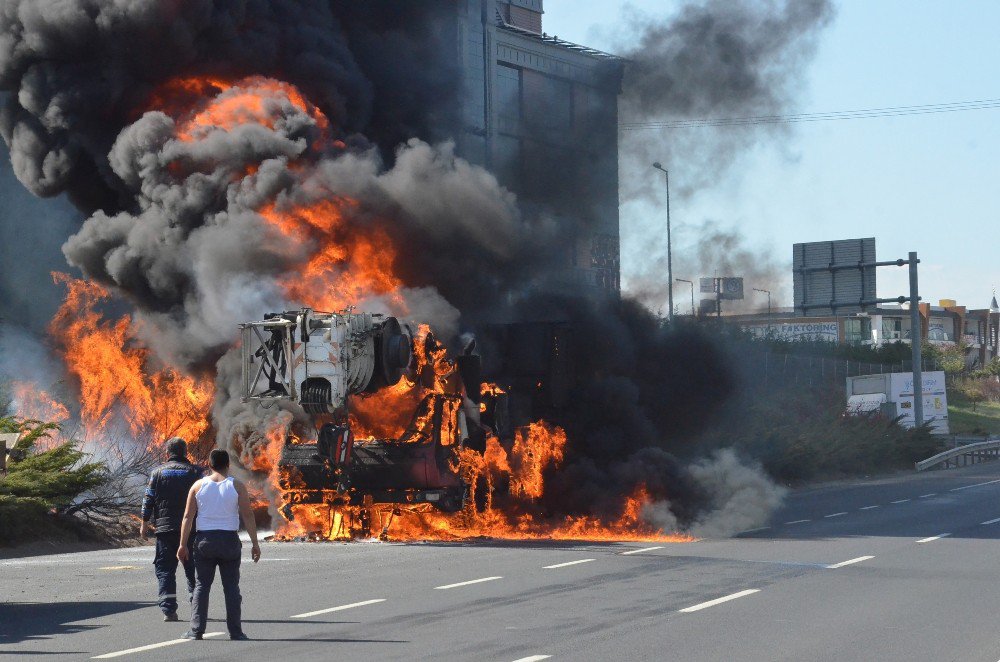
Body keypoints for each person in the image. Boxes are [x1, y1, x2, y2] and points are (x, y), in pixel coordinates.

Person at [177, 449, 261, 641]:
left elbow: (188, 517)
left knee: (201, 586)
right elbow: (248, 515)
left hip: (204, 541)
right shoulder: (237, 486)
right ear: (228, 465)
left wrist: (183, 544)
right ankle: (236, 632)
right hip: (229, 541)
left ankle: (196, 630)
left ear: (209, 464)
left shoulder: (198, 486)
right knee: (231, 587)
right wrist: (255, 543)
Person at [140, 437, 203, 622]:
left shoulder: (157, 473)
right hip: (191, 529)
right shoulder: (196, 472)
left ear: (167, 454)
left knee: (165, 569)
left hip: (165, 529)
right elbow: (205, 499)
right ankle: (196, 607)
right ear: (185, 453)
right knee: (193, 569)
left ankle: (169, 610)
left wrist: (144, 522)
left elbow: (148, 498)